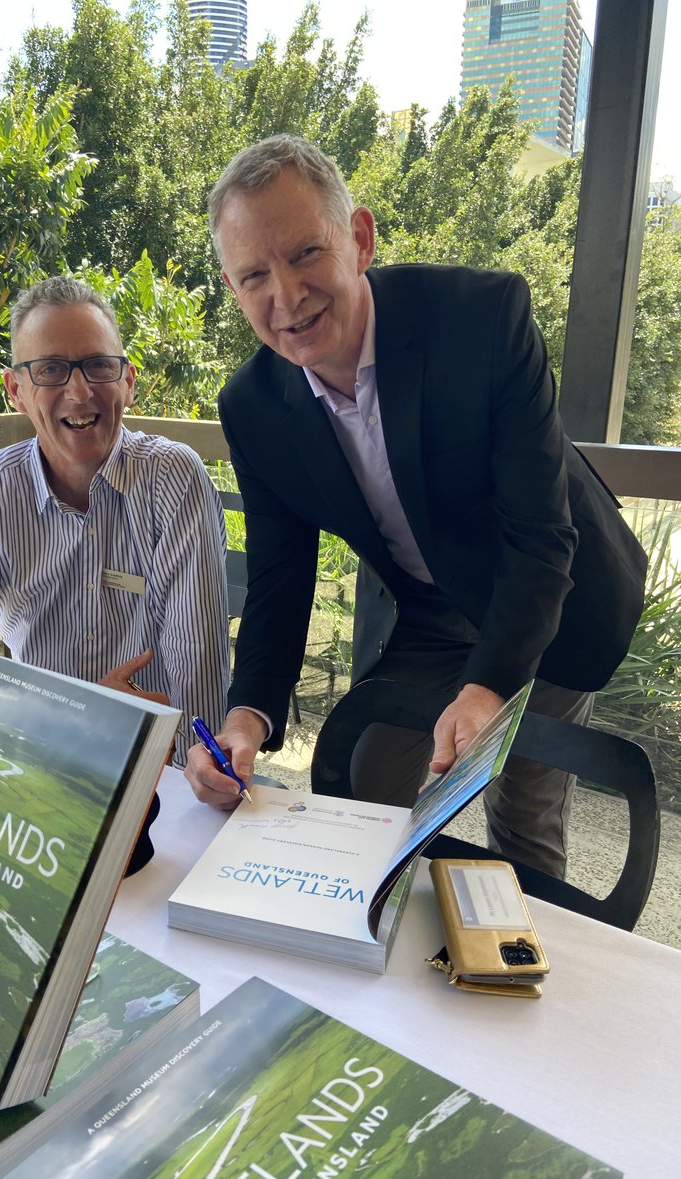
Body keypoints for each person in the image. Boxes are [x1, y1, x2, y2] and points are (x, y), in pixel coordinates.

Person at [185, 135, 647, 879]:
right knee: (362, 786)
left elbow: (539, 536)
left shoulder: (483, 318)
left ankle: (509, 972)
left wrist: (488, 685)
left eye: (306, 254)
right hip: (426, 611)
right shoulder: (252, 406)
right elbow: (278, 581)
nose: (287, 296)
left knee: (520, 817)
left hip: (546, 594)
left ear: (359, 238)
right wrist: (248, 716)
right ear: (234, 291)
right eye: (254, 276)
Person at [0, 276, 229, 771]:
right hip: (34, 757)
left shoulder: (174, 480)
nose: (79, 392)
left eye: (99, 365)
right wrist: (68, 716)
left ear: (127, 380)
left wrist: (195, 770)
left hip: (162, 765)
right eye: (51, 369)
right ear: (16, 389)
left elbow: (197, 673)